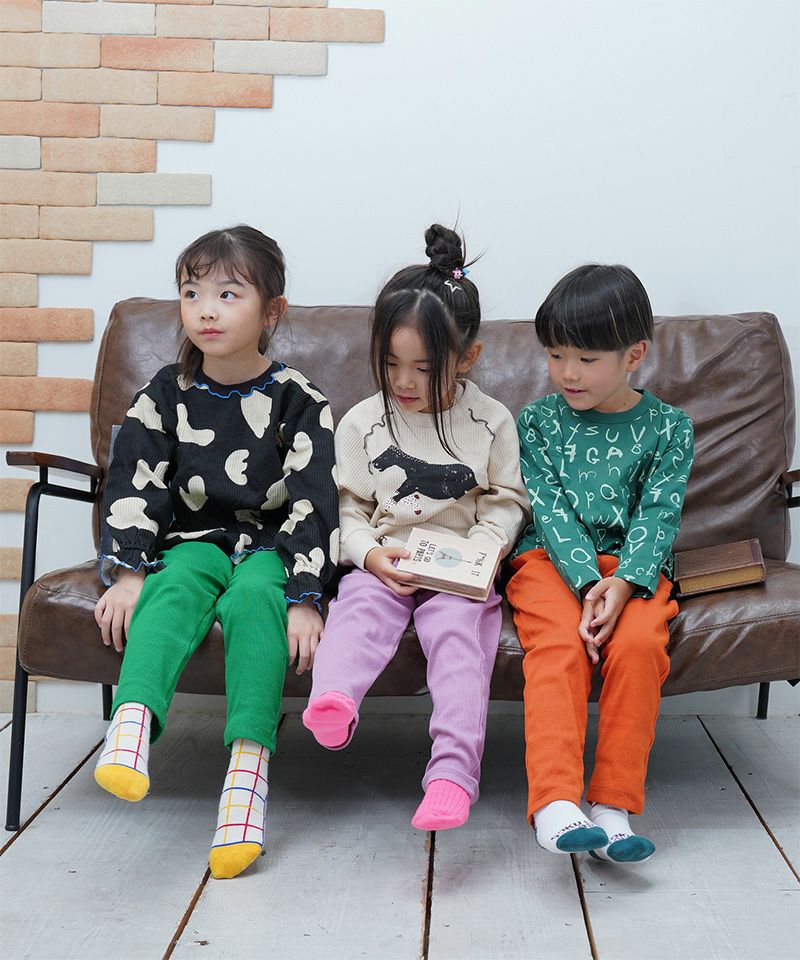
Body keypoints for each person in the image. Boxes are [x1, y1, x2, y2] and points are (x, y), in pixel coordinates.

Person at [92, 225, 338, 879]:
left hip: (271, 545)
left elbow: (316, 501)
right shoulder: (163, 394)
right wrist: (129, 570)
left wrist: (306, 596)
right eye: (192, 292)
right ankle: (131, 724)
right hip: (191, 539)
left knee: (257, 597)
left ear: (271, 310)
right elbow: (134, 481)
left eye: (228, 294)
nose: (206, 309)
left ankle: (247, 777)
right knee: (172, 584)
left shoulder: (300, 400)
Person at [302, 224, 529, 831]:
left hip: (459, 570)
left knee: (458, 641)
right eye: (390, 365)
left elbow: (506, 502)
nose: (404, 382)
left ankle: (452, 774)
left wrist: (482, 552)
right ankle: (335, 700)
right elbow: (347, 506)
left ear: (468, 358)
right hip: (386, 560)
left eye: (424, 368)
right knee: (356, 613)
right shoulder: (362, 422)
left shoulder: (491, 421)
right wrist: (369, 556)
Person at [507, 263, 693, 862]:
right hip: (549, 561)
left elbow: (659, 514)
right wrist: (590, 582)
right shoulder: (537, 422)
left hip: (635, 570)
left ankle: (613, 807)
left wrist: (625, 583)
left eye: (586, 359)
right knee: (560, 645)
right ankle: (555, 804)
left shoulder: (670, 429)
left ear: (634, 354)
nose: (567, 372)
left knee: (637, 645)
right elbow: (549, 509)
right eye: (555, 355)